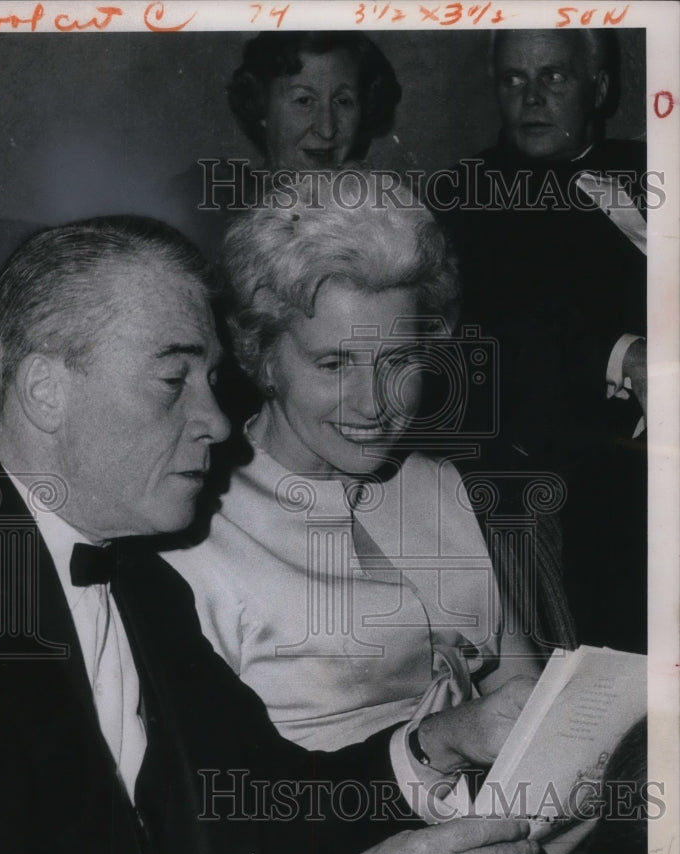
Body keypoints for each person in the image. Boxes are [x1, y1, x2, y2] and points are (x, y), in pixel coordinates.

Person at [0, 215, 541, 854]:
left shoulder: (143, 584)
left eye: (211, 379)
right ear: (45, 390)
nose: (218, 420)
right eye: (173, 380)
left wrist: (434, 747)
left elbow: (264, 798)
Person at [165, 174, 543, 753]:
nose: (373, 405)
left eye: (398, 360)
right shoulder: (198, 530)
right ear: (263, 358)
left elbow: (527, 695)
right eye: (333, 365)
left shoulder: (440, 483)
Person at [431, 29, 648, 653]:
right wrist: (626, 357)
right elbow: (512, 332)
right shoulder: (465, 196)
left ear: (600, 87)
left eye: (554, 77)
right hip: (588, 470)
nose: (531, 99)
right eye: (513, 80)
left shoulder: (654, 166)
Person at [166, 31, 401, 260]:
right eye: (304, 100)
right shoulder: (204, 207)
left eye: (343, 101)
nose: (327, 129)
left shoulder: (387, 220)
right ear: (261, 106)